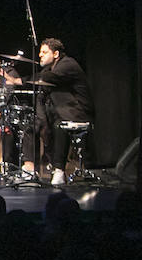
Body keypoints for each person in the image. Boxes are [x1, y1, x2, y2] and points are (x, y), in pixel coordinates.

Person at [6, 37, 93, 187]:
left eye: (44, 52)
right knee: (31, 125)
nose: (40, 55)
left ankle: (59, 170)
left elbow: (47, 78)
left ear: (56, 54)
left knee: (58, 125)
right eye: (40, 52)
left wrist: (19, 80)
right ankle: (30, 168)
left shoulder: (67, 64)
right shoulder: (49, 68)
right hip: (59, 110)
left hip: (77, 111)